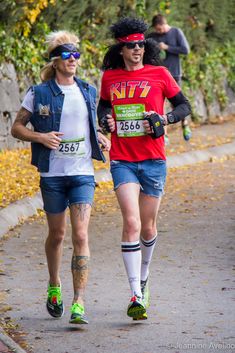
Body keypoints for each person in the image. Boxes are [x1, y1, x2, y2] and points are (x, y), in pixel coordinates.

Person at [11, 30, 110, 325]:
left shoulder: (88, 91)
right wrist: (40, 136)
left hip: (81, 173)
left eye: (76, 55)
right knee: (57, 235)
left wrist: (101, 138)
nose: (73, 61)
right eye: (68, 56)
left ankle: (79, 302)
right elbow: (17, 128)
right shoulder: (38, 92)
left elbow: (91, 127)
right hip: (52, 174)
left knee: (81, 235)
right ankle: (54, 285)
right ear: (56, 61)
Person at [98, 17, 191, 320]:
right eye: (130, 45)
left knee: (148, 227)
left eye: (141, 44)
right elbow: (103, 107)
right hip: (123, 159)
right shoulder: (110, 77)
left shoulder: (160, 73)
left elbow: (183, 106)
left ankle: (145, 275)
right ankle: (135, 292)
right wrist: (105, 121)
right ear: (121, 48)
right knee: (131, 223)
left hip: (153, 159)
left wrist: (164, 120)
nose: (137, 49)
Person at [147, 14, 192, 142]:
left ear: (164, 24)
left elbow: (185, 50)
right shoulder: (152, 36)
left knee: (178, 103)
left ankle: (185, 125)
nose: (158, 32)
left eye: (160, 29)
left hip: (174, 73)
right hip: (157, 75)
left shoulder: (176, 32)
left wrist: (167, 47)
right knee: (160, 103)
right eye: (156, 29)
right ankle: (164, 134)